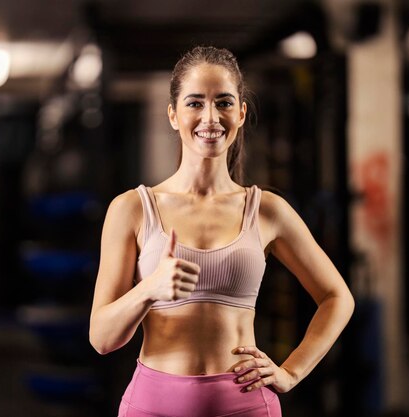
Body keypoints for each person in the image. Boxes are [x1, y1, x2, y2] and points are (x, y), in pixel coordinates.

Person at [89, 45, 355, 417]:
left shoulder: (266, 210)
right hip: (153, 406)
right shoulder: (132, 209)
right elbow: (101, 339)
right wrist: (149, 289)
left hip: (245, 406)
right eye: (195, 103)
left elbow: (337, 297)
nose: (210, 117)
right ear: (172, 114)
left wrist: (292, 371)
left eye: (224, 102)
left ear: (241, 113)